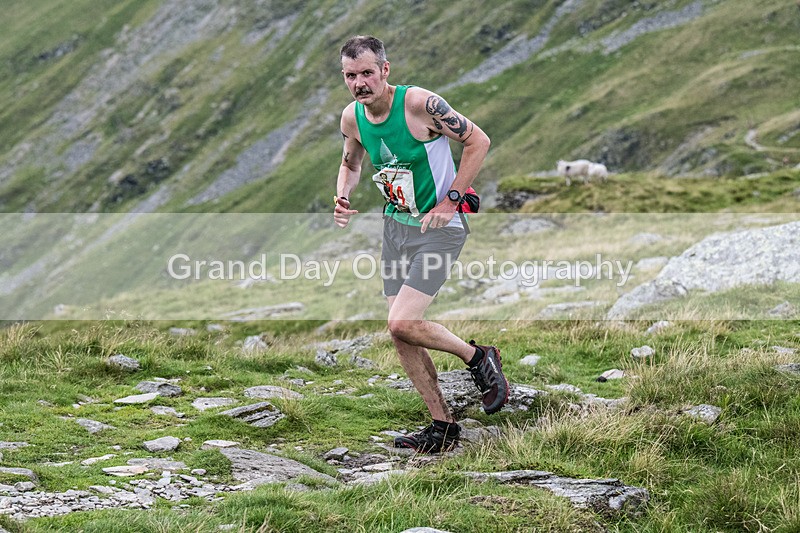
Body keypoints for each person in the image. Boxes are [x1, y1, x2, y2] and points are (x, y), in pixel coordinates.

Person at [332, 35, 509, 453]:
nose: (360, 83)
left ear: (385, 70)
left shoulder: (419, 104)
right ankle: (442, 427)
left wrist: (451, 200)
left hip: (440, 228)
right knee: (401, 334)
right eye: (350, 76)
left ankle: (478, 357)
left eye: (367, 73)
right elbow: (351, 163)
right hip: (396, 227)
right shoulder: (352, 118)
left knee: (401, 322)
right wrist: (342, 195)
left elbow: (478, 141)